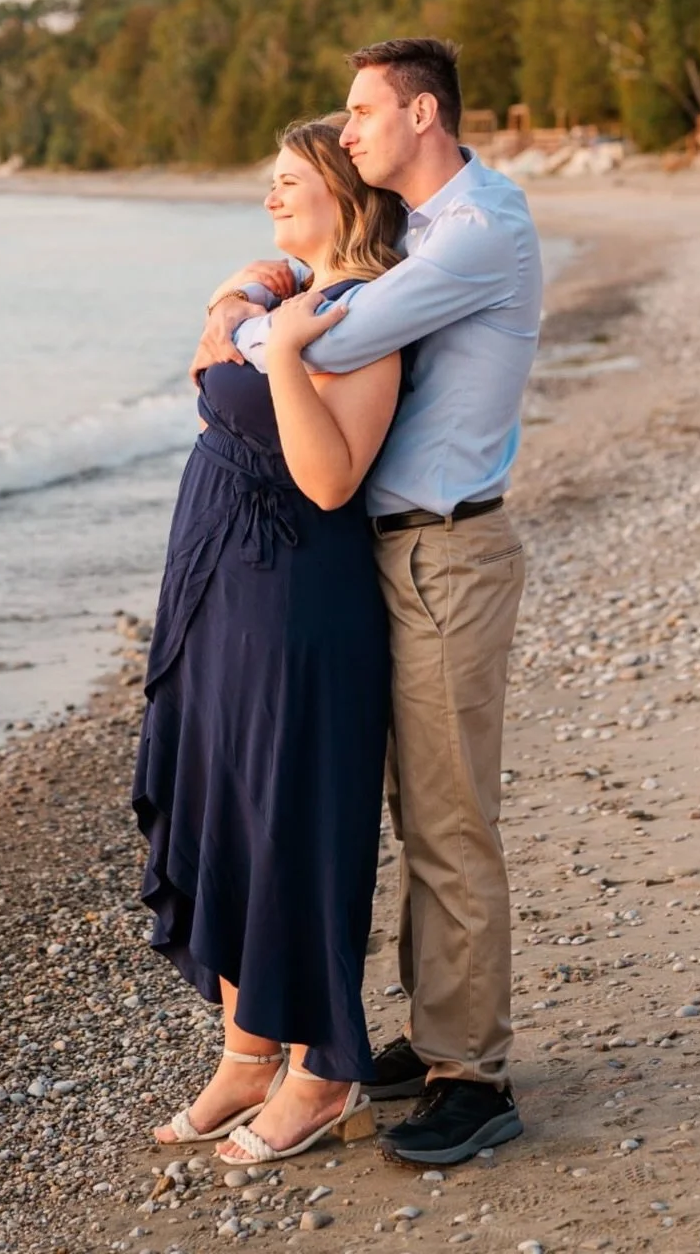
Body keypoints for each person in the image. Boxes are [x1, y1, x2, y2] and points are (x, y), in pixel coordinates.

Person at [191, 37, 542, 1166]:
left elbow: (325, 333)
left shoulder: (480, 231)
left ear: (423, 112)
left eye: (360, 112)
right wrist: (266, 290)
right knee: (407, 808)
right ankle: (431, 1033)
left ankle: (472, 1075)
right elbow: (311, 301)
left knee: (447, 820)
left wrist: (244, 313)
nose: (345, 133)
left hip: (444, 554)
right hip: (386, 555)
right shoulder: (422, 233)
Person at [133, 116, 408, 1167]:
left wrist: (285, 344)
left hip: (297, 588)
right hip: (218, 582)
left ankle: (324, 1068)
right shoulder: (286, 285)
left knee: (289, 817)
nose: (269, 197)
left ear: (343, 189)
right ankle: (247, 1051)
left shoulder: (370, 312)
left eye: (288, 180)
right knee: (221, 801)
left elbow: (331, 476)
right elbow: (207, 373)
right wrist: (240, 299)